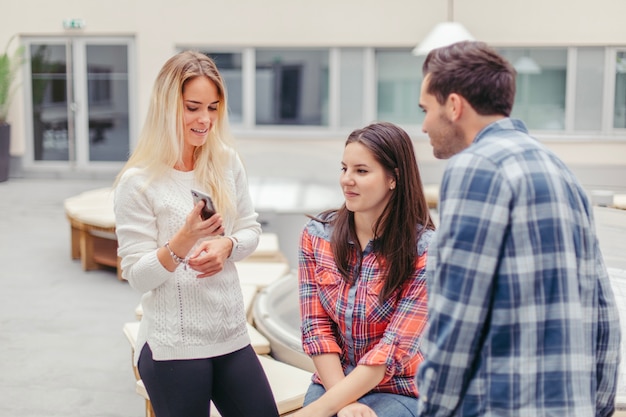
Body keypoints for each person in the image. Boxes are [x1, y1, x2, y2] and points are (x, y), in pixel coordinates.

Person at [416, 41, 621, 417]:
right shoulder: (561, 172)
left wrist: (433, 408)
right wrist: (598, 407)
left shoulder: (476, 167)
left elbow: (457, 315)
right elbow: (603, 313)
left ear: (455, 106)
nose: (424, 124)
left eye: (426, 109)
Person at [113, 50, 279, 417]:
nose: (205, 120)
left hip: (230, 335)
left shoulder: (225, 160)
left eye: (213, 107)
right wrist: (183, 241)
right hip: (172, 346)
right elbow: (136, 276)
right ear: (167, 106)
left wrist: (227, 245)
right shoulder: (137, 183)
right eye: (193, 107)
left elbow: (250, 228)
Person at [295, 121, 436, 417]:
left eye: (361, 171)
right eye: (344, 168)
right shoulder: (316, 236)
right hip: (335, 378)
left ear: (393, 178)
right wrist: (342, 402)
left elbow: (392, 349)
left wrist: (318, 411)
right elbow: (316, 329)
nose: (347, 180)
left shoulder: (425, 250)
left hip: (398, 386)